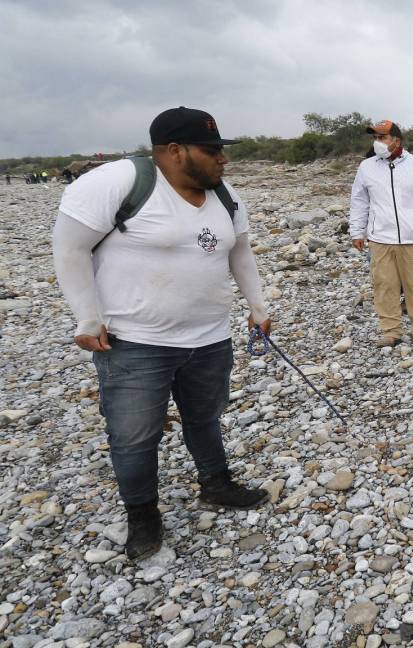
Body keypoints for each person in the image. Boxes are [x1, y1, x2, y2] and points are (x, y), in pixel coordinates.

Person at [52, 107, 270, 561]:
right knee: (134, 435)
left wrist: (258, 305)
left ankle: (216, 483)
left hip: (209, 338)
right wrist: (86, 317)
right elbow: (69, 249)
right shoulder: (117, 183)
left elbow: (241, 251)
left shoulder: (224, 195)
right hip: (135, 343)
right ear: (175, 151)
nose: (222, 160)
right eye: (212, 151)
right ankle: (143, 515)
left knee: (206, 416)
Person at [349, 119, 413, 349]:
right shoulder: (367, 167)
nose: (377, 142)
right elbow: (359, 200)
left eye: (382, 137)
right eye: (375, 138)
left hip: (412, 240)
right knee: (384, 287)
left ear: (396, 140)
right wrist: (356, 231)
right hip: (380, 239)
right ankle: (391, 332)